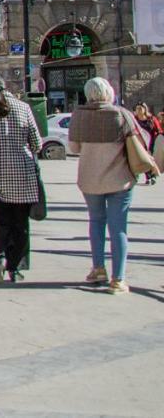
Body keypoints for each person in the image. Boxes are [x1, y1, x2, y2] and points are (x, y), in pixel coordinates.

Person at [70, 78, 155, 294]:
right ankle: (118, 280)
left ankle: (98, 268)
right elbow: (140, 141)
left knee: (96, 222)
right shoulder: (122, 114)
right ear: (109, 92)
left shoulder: (79, 115)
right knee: (118, 229)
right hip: (120, 180)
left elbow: (74, 148)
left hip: (90, 180)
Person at [0, 71, 42, 283]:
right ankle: (15, 268)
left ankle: (1, 256)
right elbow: (37, 143)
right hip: (23, 174)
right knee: (20, 224)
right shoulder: (24, 107)